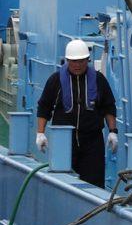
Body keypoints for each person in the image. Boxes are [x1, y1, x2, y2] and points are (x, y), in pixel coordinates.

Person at [36, 39, 118, 188]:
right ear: (67, 61)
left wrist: (113, 132)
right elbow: (44, 106)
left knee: (94, 184)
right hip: (65, 143)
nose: (78, 65)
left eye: (81, 61)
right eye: (74, 61)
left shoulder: (99, 80)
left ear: (88, 60)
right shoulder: (56, 80)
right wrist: (40, 133)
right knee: (62, 182)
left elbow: (109, 106)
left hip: (92, 142)